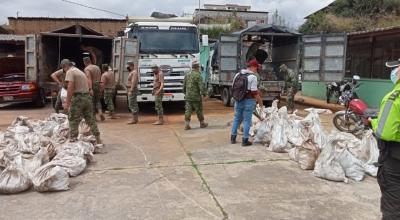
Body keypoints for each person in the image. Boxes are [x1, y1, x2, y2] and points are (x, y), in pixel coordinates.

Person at [371, 66, 400, 220]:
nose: (395, 71)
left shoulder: (394, 97)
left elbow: (384, 132)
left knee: (393, 206)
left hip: (395, 160)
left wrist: (373, 122)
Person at [60, 59, 102, 144]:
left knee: (73, 119)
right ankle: (98, 139)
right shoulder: (80, 72)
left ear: (65, 66)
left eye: (63, 68)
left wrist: (67, 104)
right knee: (90, 119)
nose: (64, 70)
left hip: (78, 98)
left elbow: (70, 87)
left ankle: (73, 139)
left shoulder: (70, 72)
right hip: (87, 97)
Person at [230, 59, 264, 147]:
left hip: (238, 100)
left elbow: (233, 87)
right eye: (256, 68)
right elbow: (254, 92)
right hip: (249, 101)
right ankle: (245, 140)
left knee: (237, 118)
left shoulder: (238, 74)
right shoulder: (253, 77)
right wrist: (260, 102)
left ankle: (233, 138)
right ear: (252, 67)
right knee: (247, 120)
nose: (257, 69)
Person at [183, 61, 208, 130]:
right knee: (199, 110)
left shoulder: (187, 74)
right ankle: (202, 123)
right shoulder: (198, 75)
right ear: (197, 67)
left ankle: (187, 124)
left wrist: (185, 92)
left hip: (188, 96)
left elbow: (184, 85)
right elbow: (201, 87)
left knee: (188, 110)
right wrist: (204, 94)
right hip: (196, 97)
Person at [83, 56, 105, 121]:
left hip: (92, 85)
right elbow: (100, 77)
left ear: (84, 62)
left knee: (91, 101)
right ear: (90, 61)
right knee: (98, 100)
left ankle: (94, 117)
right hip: (98, 84)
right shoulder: (97, 67)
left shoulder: (87, 69)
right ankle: (100, 112)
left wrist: (90, 89)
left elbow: (89, 79)